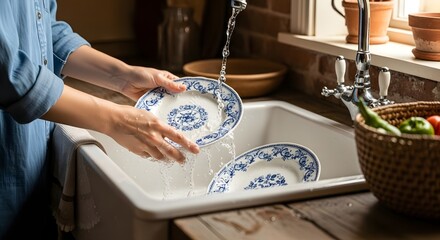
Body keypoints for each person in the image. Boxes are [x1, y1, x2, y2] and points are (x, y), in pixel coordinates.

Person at [0, 1, 200, 239]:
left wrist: (123, 75)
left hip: (29, 166)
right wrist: (116, 120)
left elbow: (43, 29)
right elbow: (9, 73)